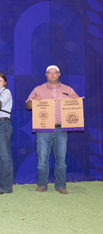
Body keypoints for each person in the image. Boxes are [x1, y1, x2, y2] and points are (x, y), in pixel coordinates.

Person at [25, 65, 79, 194]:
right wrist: (33, 101)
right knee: (42, 158)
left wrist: (75, 99)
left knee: (61, 158)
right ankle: (42, 184)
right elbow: (27, 105)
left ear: (59, 74)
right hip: (43, 129)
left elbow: (76, 104)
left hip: (61, 129)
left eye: (55, 72)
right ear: (46, 75)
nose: (52, 74)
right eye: (50, 72)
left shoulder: (68, 89)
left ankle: (61, 185)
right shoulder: (38, 89)